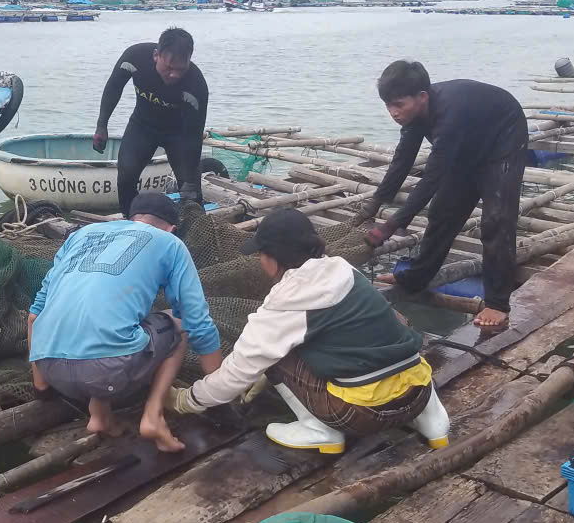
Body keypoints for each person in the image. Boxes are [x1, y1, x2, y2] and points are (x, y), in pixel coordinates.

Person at [167, 209, 449, 454]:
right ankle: (434, 424)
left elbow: (235, 376)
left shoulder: (286, 303)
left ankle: (319, 431)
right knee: (391, 339)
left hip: (362, 415)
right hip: (419, 393)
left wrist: (186, 399)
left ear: (274, 259)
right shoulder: (344, 270)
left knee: (273, 357)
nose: (260, 262)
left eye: (261, 255)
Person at [29, 192, 222, 452]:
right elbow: (197, 322)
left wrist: (41, 386)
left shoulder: (80, 235)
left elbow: (34, 315)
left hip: (50, 368)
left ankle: (101, 416)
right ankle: (153, 416)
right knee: (178, 324)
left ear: (128, 219)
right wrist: (221, 393)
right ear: (172, 229)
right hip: (105, 372)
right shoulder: (169, 243)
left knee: (113, 325)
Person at [350, 61, 527, 329]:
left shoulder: (450, 114)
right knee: (442, 213)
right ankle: (415, 278)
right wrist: (373, 204)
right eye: (388, 106)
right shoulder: (413, 117)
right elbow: (402, 160)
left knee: (496, 219)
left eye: (399, 105)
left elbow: (433, 176)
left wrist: (392, 224)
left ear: (422, 97)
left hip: (503, 139)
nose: (393, 113)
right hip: (466, 146)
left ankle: (498, 303)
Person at [94, 27, 209, 217]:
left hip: (179, 135)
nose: (174, 75)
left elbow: (194, 135)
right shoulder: (135, 57)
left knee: (190, 193)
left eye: (180, 69)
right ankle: (131, 221)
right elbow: (114, 87)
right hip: (143, 126)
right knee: (125, 177)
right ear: (156, 55)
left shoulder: (196, 85)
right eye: (169, 68)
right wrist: (101, 125)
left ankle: (191, 233)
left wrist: (189, 174)